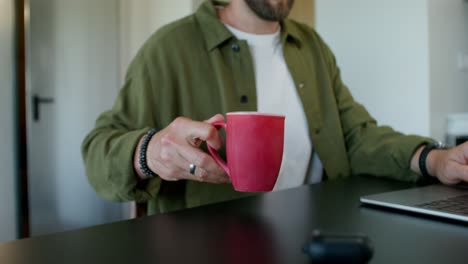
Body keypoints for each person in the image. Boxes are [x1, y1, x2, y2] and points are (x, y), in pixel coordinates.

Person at [82, 0, 468, 215]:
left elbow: (356, 135)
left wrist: (434, 160)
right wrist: (149, 152)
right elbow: (99, 149)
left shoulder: (311, 46)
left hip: (314, 239)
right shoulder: (168, 49)